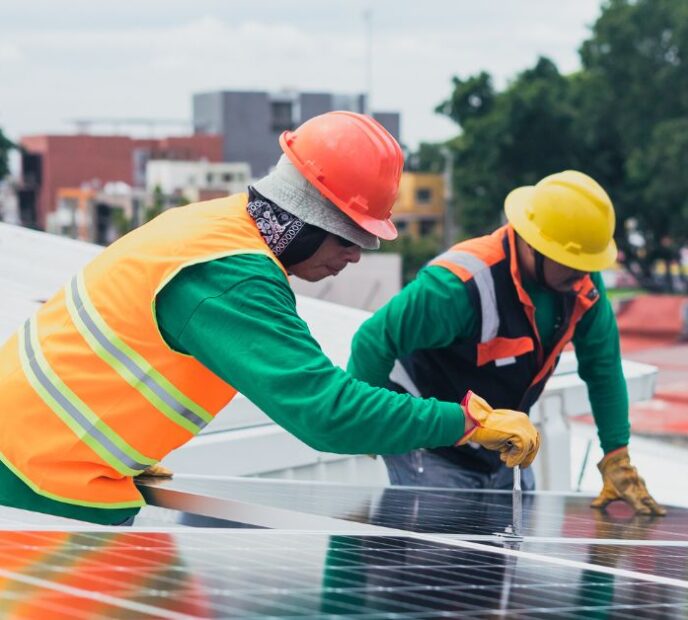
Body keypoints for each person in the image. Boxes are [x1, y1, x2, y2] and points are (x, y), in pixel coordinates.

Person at [0, 112, 539, 525]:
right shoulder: (231, 277)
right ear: (307, 219)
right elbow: (327, 413)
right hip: (40, 472)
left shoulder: (217, 226)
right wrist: (468, 422)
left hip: (39, 449)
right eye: (350, 235)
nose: (356, 254)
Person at [348, 170, 664, 515]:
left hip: (504, 447)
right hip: (433, 447)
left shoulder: (581, 287)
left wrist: (616, 455)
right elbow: (373, 340)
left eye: (588, 265)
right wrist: (368, 424)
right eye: (573, 263)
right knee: (441, 557)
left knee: (504, 557)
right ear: (533, 244)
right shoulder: (458, 285)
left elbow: (603, 369)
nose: (583, 275)